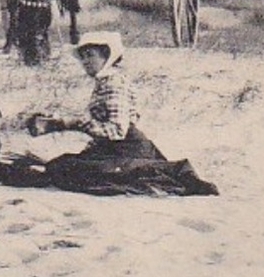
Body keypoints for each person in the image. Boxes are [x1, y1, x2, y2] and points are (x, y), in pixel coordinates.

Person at [24, 31, 218, 196]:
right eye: (82, 57)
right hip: (113, 148)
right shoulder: (105, 81)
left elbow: (117, 131)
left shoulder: (114, 83)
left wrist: (71, 123)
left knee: (67, 170)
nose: (85, 62)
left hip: (128, 148)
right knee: (62, 166)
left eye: (90, 55)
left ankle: (180, 177)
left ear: (106, 56)